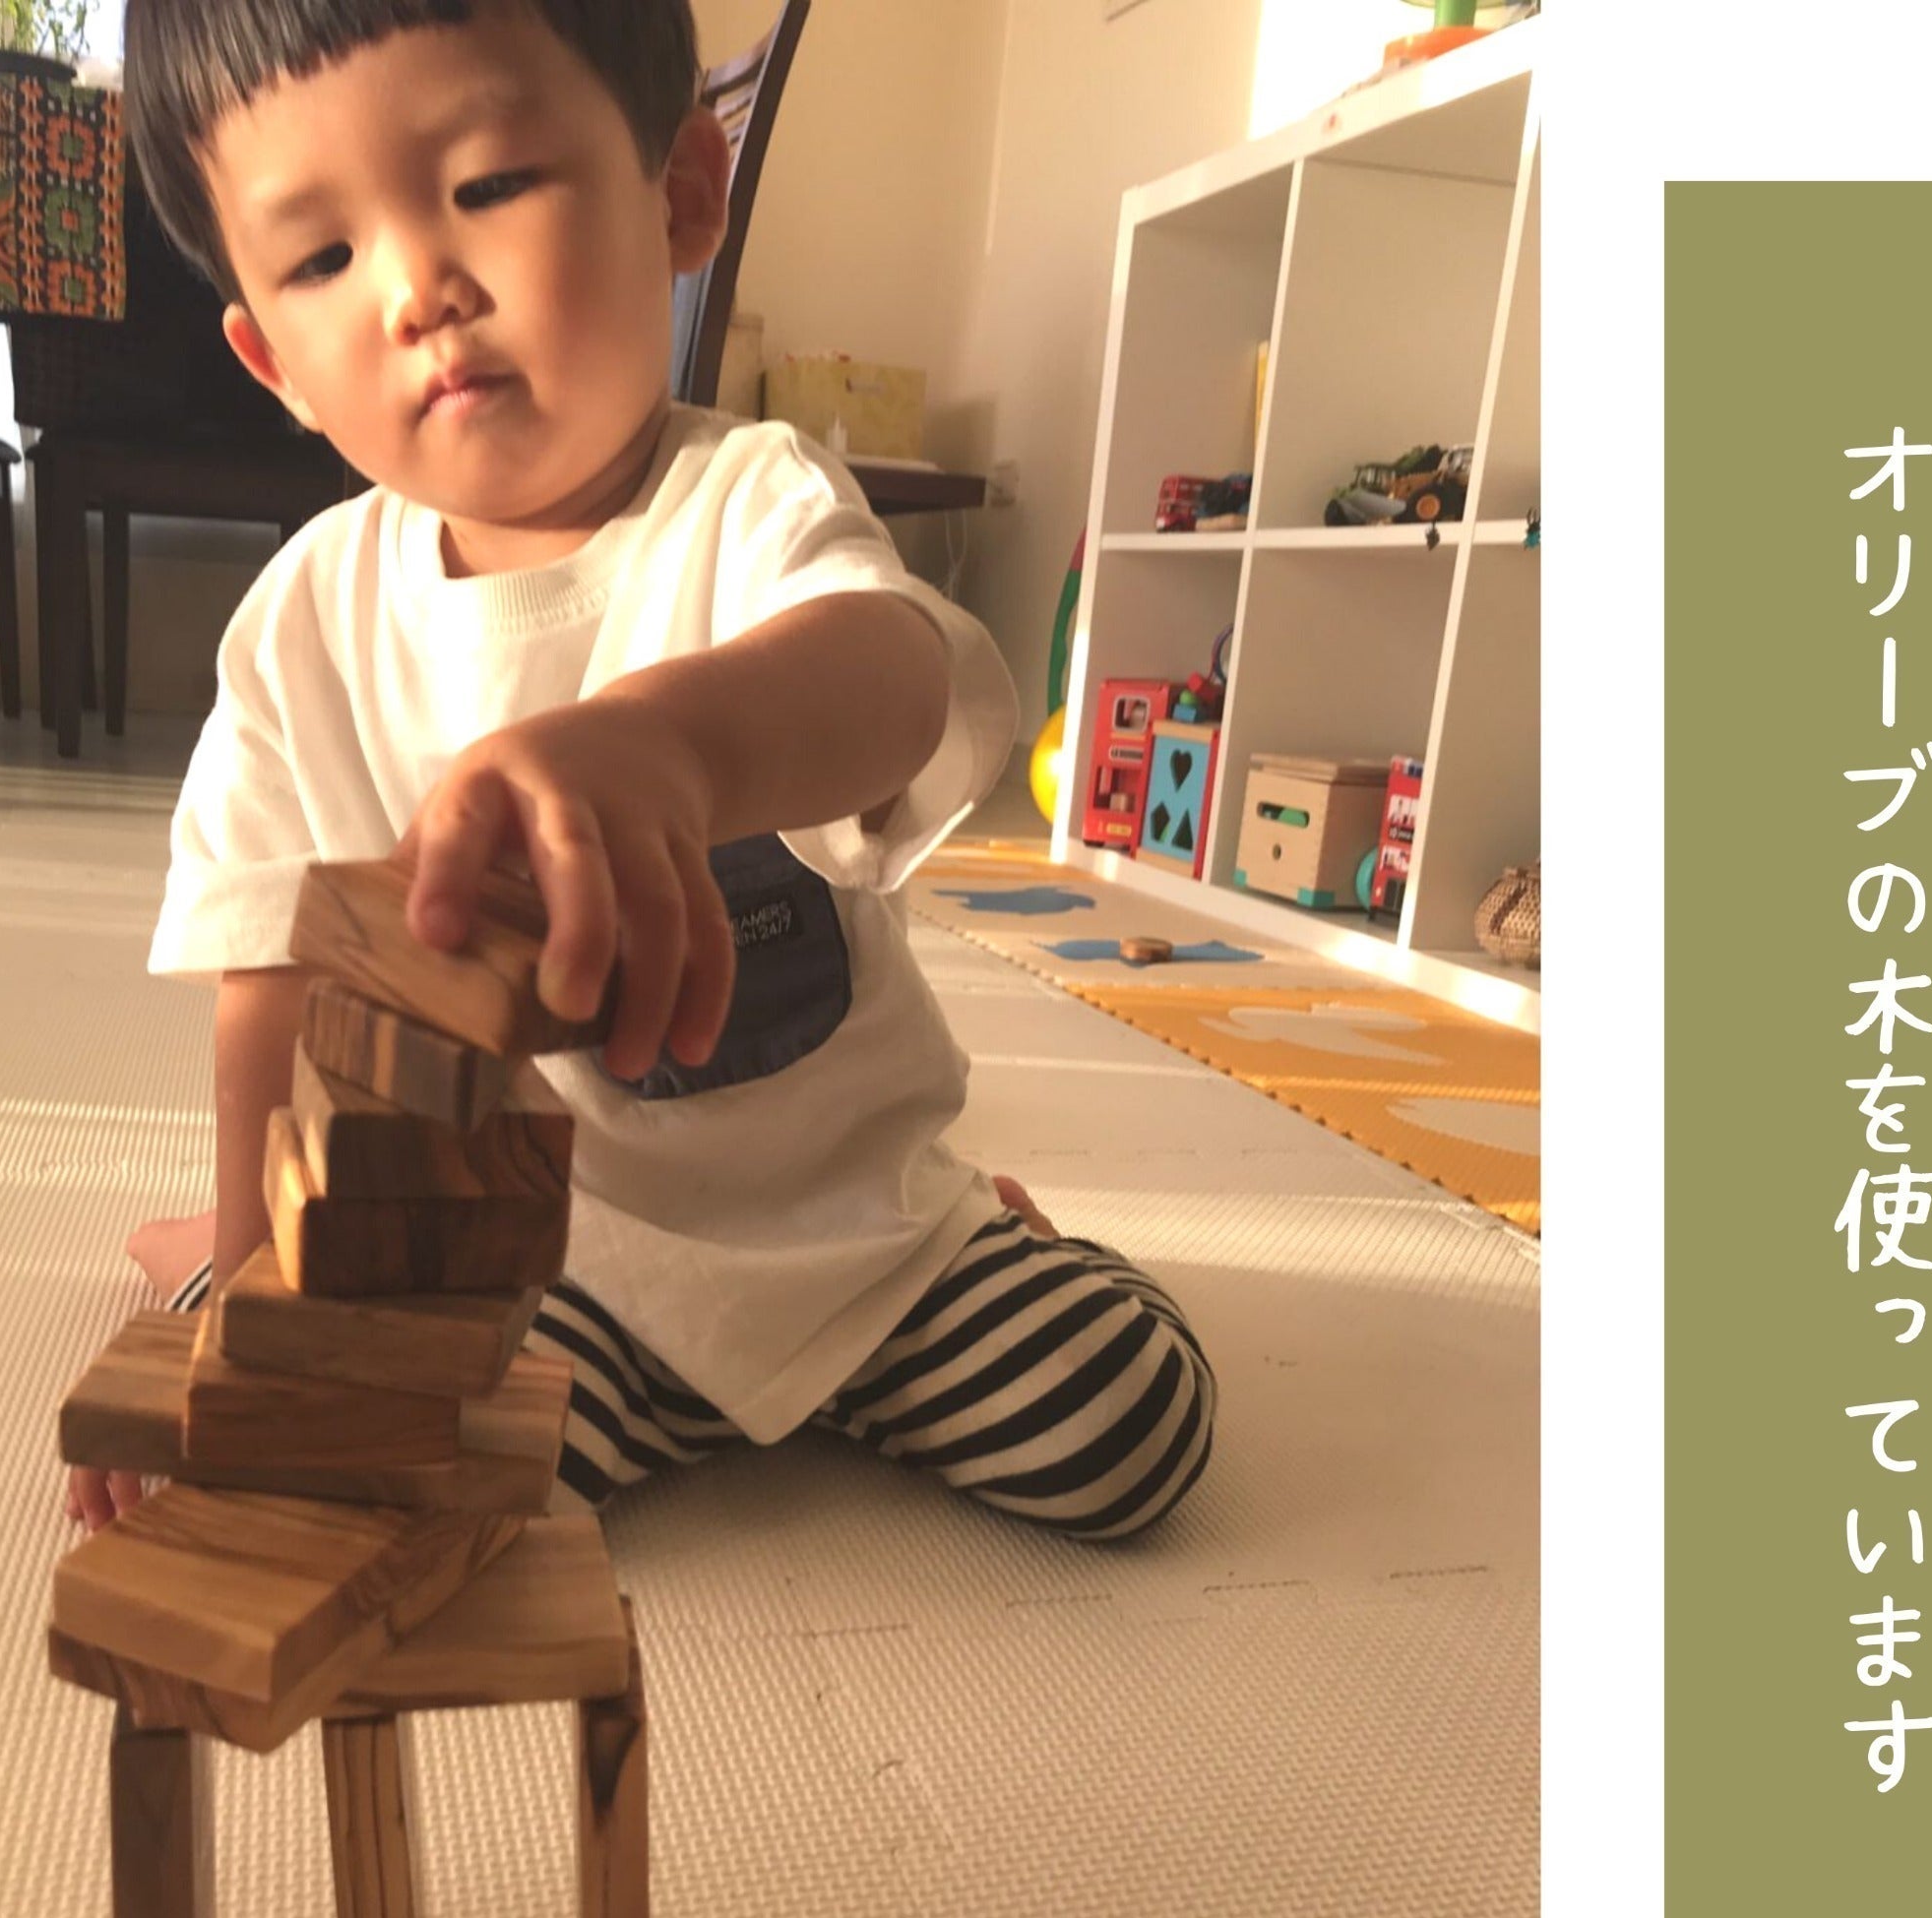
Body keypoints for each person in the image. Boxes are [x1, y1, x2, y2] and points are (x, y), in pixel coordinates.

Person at [66, 0, 1214, 1542]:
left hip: (859, 1228)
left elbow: (897, 678)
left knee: (1126, 1423)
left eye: (487, 185)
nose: (419, 291)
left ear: (679, 192)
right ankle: (201, 1251)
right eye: (325, 257)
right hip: (542, 1259)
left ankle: (983, 1238)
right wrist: (257, 1278)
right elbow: (263, 986)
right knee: (397, 1482)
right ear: (272, 359)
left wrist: (679, 743)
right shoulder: (300, 628)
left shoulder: (748, 500)